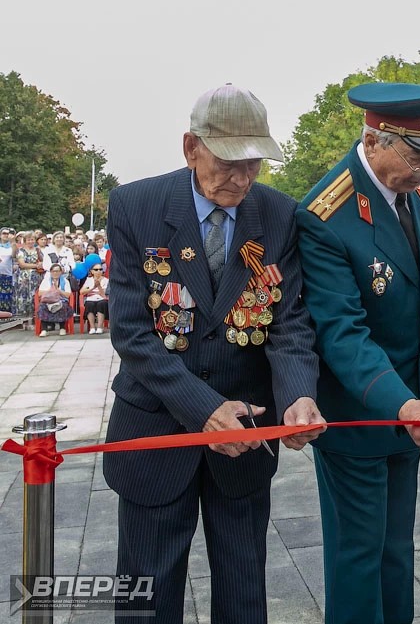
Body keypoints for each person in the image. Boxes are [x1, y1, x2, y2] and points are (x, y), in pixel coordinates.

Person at [103, 84, 326, 623]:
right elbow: (133, 334)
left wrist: (298, 396)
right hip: (157, 428)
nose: (242, 178)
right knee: (147, 593)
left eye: (254, 164)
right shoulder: (137, 206)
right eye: (229, 163)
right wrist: (205, 409)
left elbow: (288, 324)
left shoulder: (277, 215)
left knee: (244, 588)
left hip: (246, 434)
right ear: (190, 147)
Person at [296, 81, 420, 624]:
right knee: (358, 552)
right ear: (374, 140)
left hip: (411, 398)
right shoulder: (326, 214)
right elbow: (341, 332)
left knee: (398, 548)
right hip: (360, 406)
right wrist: (401, 405)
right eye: (417, 156)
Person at [36, 263, 74, 336]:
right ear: (50, 272)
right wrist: (51, 290)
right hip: (48, 301)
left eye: (57, 271)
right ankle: (44, 329)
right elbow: (40, 293)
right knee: (42, 306)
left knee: (63, 306)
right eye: (53, 271)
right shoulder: (46, 281)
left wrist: (58, 290)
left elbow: (68, 295)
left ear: (61, 272)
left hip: (61, 300)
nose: (55, 273)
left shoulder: (65, 281)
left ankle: (62, 328)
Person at [15, 230, 43, 324]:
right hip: (23, 278)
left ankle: (34, 320)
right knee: (23, 298)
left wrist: (40, 265)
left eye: (32, 239)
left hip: (35, 278)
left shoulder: (38, 250)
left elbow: (43, 262)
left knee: (34, 297)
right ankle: (23, 321)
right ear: (25, 240)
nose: (30, 241)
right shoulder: (21, 251)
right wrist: (35, 265)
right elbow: (22, 264)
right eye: (28, 240)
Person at [79, 262, 109, 333]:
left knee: (101, 304)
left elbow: (104, 294)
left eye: (100, 269)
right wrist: (93, 288)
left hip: (102, 299)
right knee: (89, 304)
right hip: (91, 298)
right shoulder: (89, 280)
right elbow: (82, 292)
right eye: (96, 269)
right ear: (92, 271)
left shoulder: (106, 280)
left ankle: (99, 327)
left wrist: (98, 286)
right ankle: (92, 327)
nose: (98, 271)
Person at [0, 227, 14, 314]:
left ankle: (6, 315)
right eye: (4, 233)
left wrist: (13, 242)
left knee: (6, 296)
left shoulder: (11, 246)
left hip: (7, 273)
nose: (6, 235)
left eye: (7, 233)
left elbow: (14, 255)